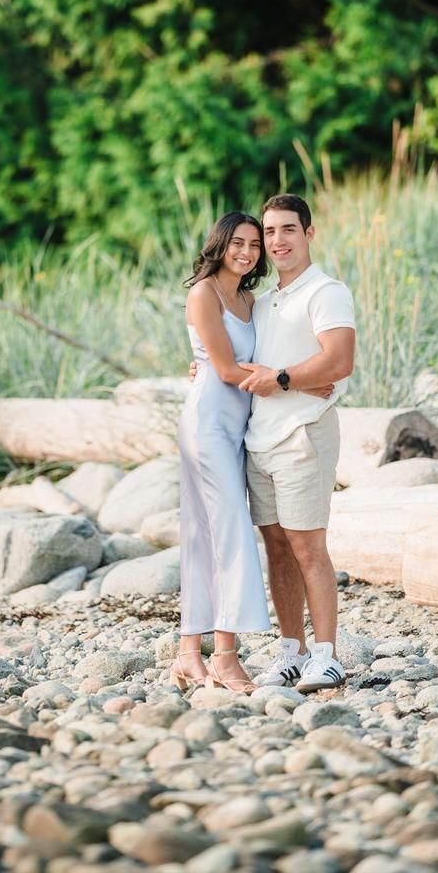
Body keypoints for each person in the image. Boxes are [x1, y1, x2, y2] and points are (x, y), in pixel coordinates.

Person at [175, 211, 334, 695]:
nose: (247, 252)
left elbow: (235, 358)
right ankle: (224, 655)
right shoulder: (203, 293)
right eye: (238, 243)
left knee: (207, 536)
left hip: (239, 428)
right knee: (232, 536)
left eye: (253, 244)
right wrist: (300, 382)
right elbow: (224, 369)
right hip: (207, 426)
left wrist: (297, 379)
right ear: (219, 244)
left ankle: (187, 654)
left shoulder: (250, 299)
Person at [238, 193, 355, 693]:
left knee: (309, 548)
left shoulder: (326, 292)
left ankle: (326, 656)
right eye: (270, 232)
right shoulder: (263, 303)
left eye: (288, 229)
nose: (277, 240)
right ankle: (292, 652)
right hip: (260, 440)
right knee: (278, 549)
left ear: (308, 234)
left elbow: (339, 361)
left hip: (304, 435)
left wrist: (286, 379)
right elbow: (246, 365)